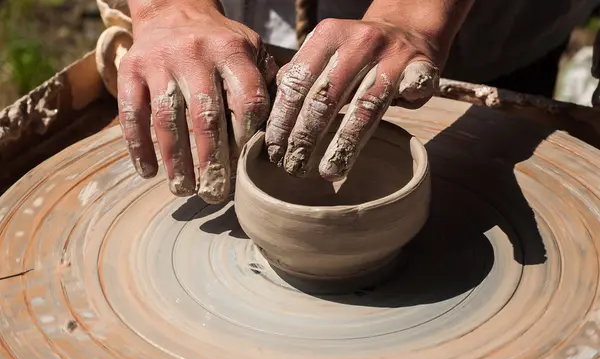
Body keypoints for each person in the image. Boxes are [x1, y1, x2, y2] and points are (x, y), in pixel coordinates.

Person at [114, 0, 600, 204]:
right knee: (223, 86)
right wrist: (168, 10)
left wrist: (413, 15)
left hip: (478, 29)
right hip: (239, 18)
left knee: (439, 97)